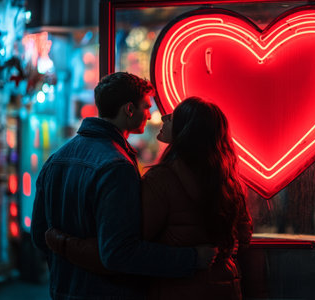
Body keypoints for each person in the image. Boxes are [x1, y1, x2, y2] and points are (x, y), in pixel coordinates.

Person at [31, 73, 217, 300]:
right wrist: (191, 258)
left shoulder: (56, 159)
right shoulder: (116, 166)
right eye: (146, 107)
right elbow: (120, 252)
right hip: (107, 292)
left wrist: (63, 251)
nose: (150, 115)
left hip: (63, 289)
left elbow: (40, 235)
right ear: (129, 109)